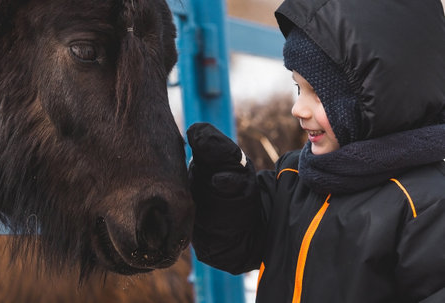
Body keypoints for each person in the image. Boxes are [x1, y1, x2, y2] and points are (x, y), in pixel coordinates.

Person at [186, 0, 445, 302]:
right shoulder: (295, 177)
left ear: (377, 102)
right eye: (298, 88)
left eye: (318, 93)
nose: (298, 108)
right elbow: (235, 245)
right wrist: (224, 195)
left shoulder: (424, 208)